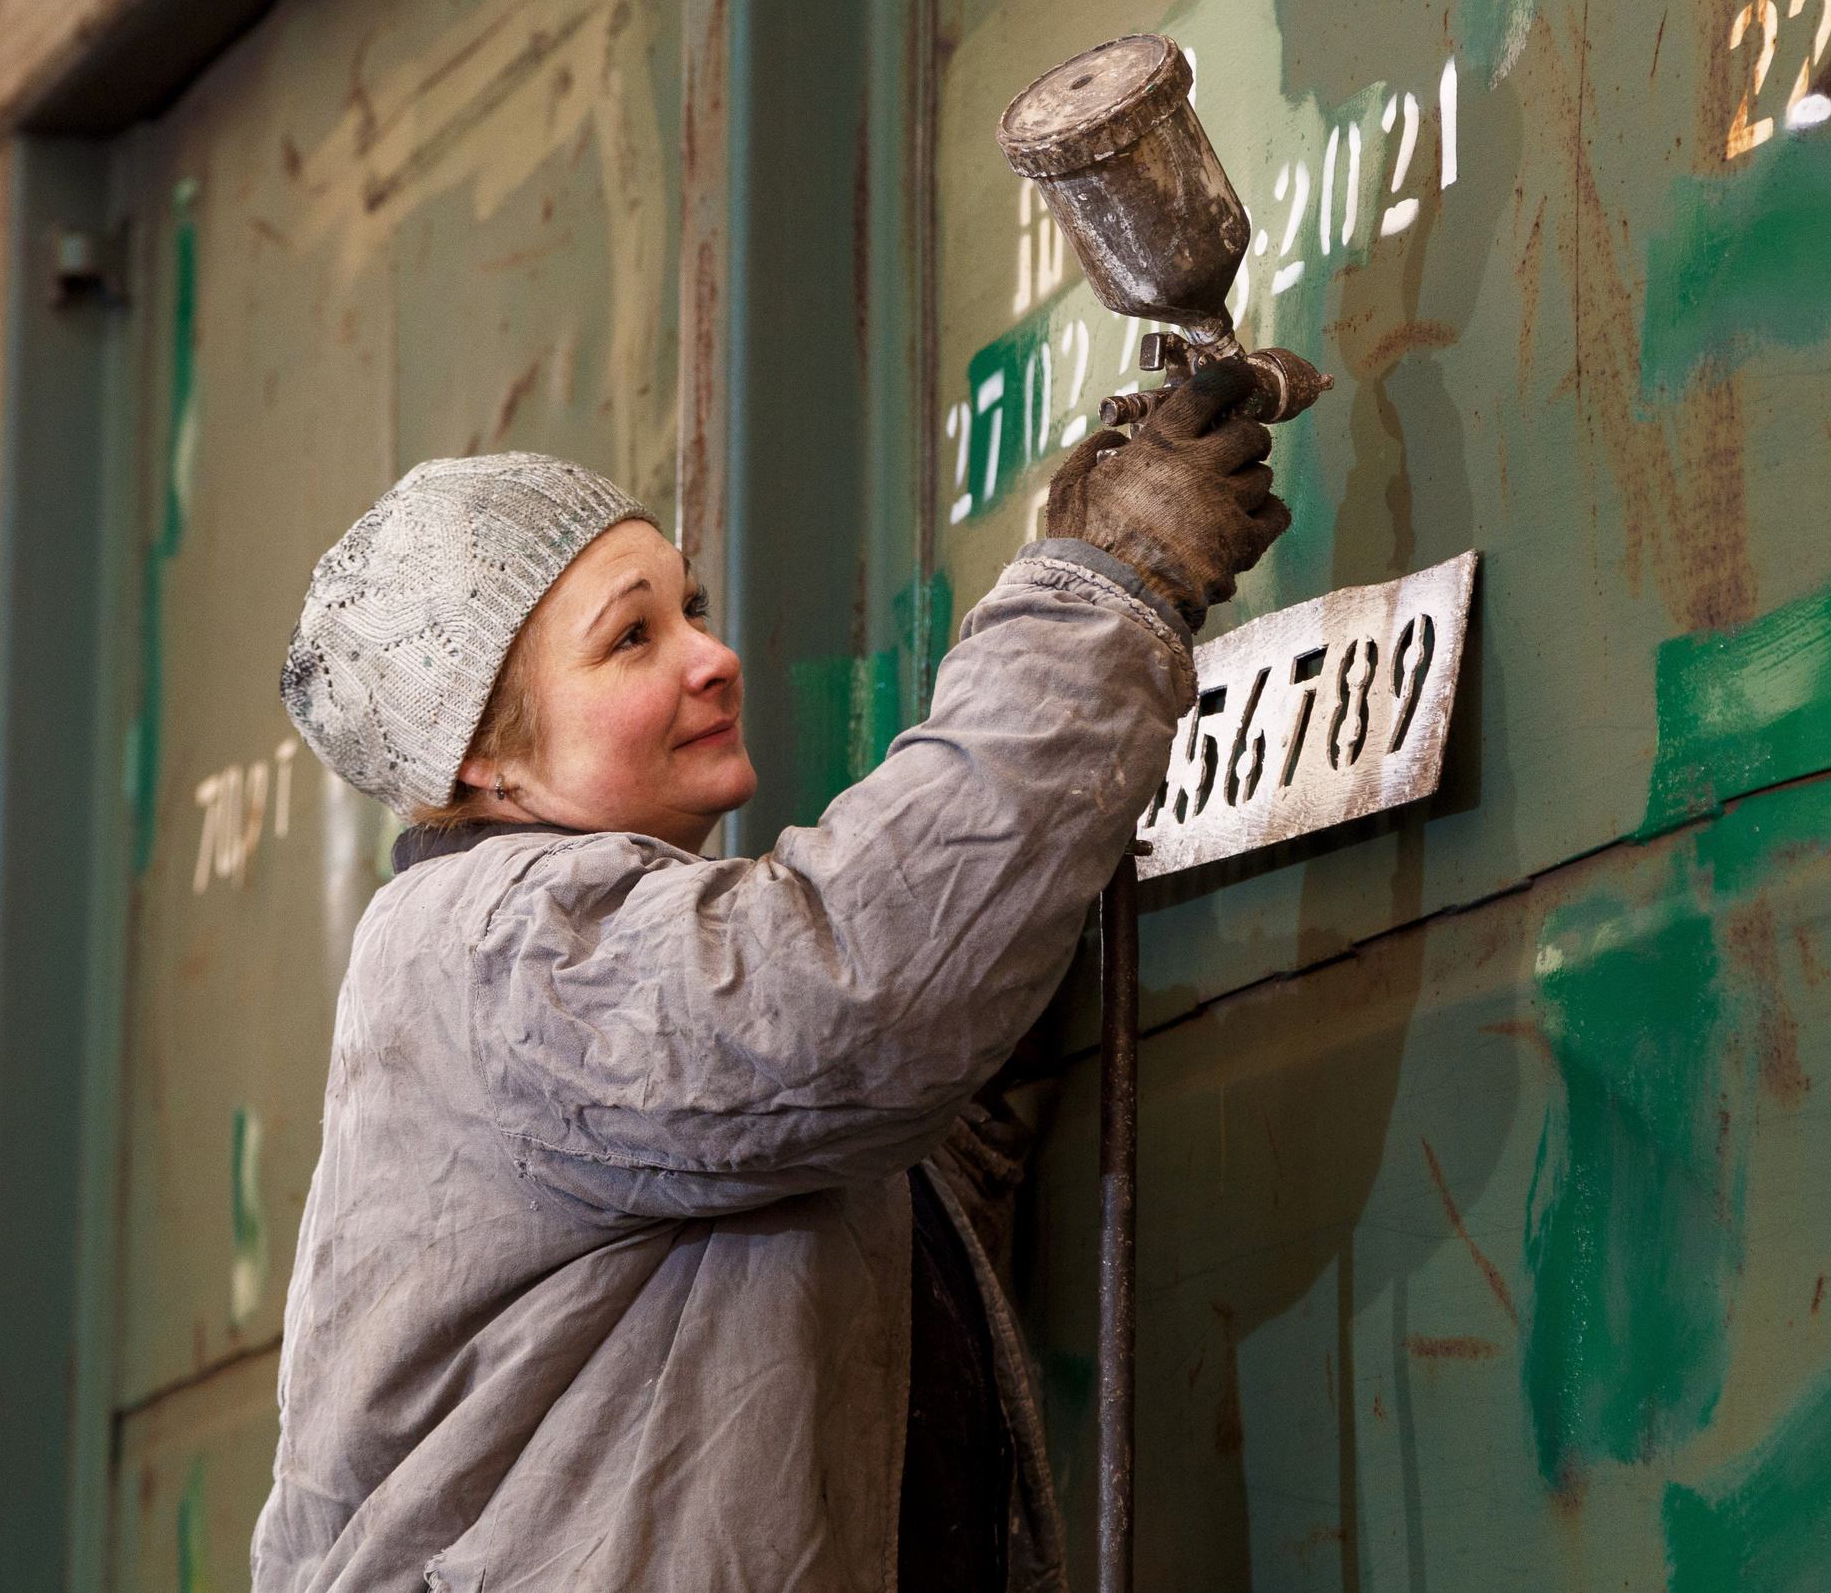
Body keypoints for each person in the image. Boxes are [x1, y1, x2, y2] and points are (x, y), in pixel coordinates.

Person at [255, 360, 1288, 1592]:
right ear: (479, 752)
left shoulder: (551, 972)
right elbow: (854, 998)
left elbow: (813, 1209)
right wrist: (1104, 596)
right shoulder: (500, 944)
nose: (712, 656)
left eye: (690, 607)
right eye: (631, 639)